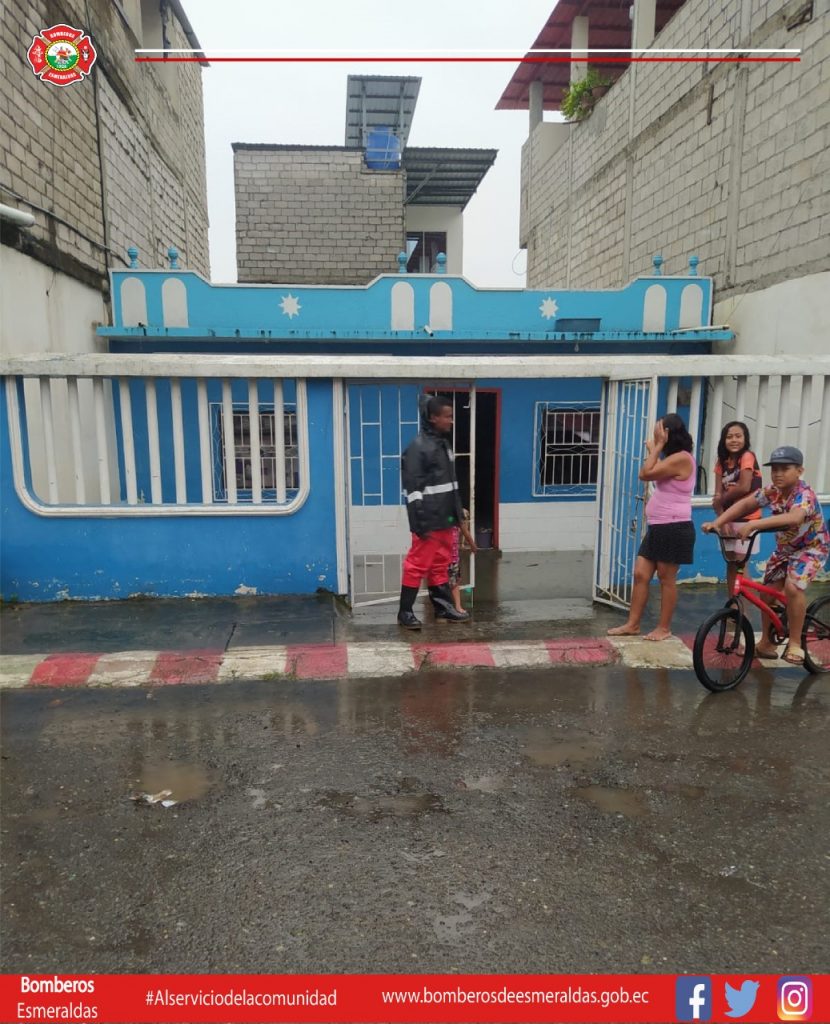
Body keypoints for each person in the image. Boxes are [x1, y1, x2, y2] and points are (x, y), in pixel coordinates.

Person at [703, 445, 830, 665]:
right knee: (767, 594)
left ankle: (795, 643)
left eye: (785, 469)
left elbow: (794, 518)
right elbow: (746, 503)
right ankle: (767, 644)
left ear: (800, 471)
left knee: (793, 587)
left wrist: (755, 524)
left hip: (811, 548)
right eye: (775, 469)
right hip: (785, 550)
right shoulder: (773, 491)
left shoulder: (804, 495)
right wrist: (718, 522)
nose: (778, 474)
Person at [607, 413, 696, 641]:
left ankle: (663, 628)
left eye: (659, 430)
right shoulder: (671, 459)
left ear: (667, 434)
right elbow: (654, 470)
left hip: (674, 526)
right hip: (658, 526)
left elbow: (645, 473)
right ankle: (633, 624)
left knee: (666, 578)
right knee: (640, 574)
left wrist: (656, 447)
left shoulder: (682, 458)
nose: (655, 434)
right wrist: (655, 450)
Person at [397, 395, 469, 629]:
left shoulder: (443, 445)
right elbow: (412, 489)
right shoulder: (418, 448)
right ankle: (405, 613)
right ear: (433, 417)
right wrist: (419, 523)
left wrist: (457, 515)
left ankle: (444, 607)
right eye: (447, 416)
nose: (451, 421)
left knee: (440, 564)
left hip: (445, 519)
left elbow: (452, 485)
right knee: (417, 565)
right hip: (428, 520)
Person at [712, 421, 763, 600]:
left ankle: (747, 608)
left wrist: (721, 500)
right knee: (731, 563)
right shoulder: (721, 462)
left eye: (738, 436)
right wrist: (723, 519)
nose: (734, 440)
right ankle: (733, 604)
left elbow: (744, 486)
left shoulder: (747, 456)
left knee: (742, 564)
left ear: (745, 439)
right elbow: (717, 494)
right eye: (729, 437)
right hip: (727, 520)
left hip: (747, 519)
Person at [447, 508, 478, 619]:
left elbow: (466, 533)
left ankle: (456, 607)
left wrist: (473, 545)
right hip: (444, 559)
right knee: (448, 584)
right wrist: (473, 546)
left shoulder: (455, 523)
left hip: (452, 559)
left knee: (453, 583)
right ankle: (452, 607)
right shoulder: (447, 522)